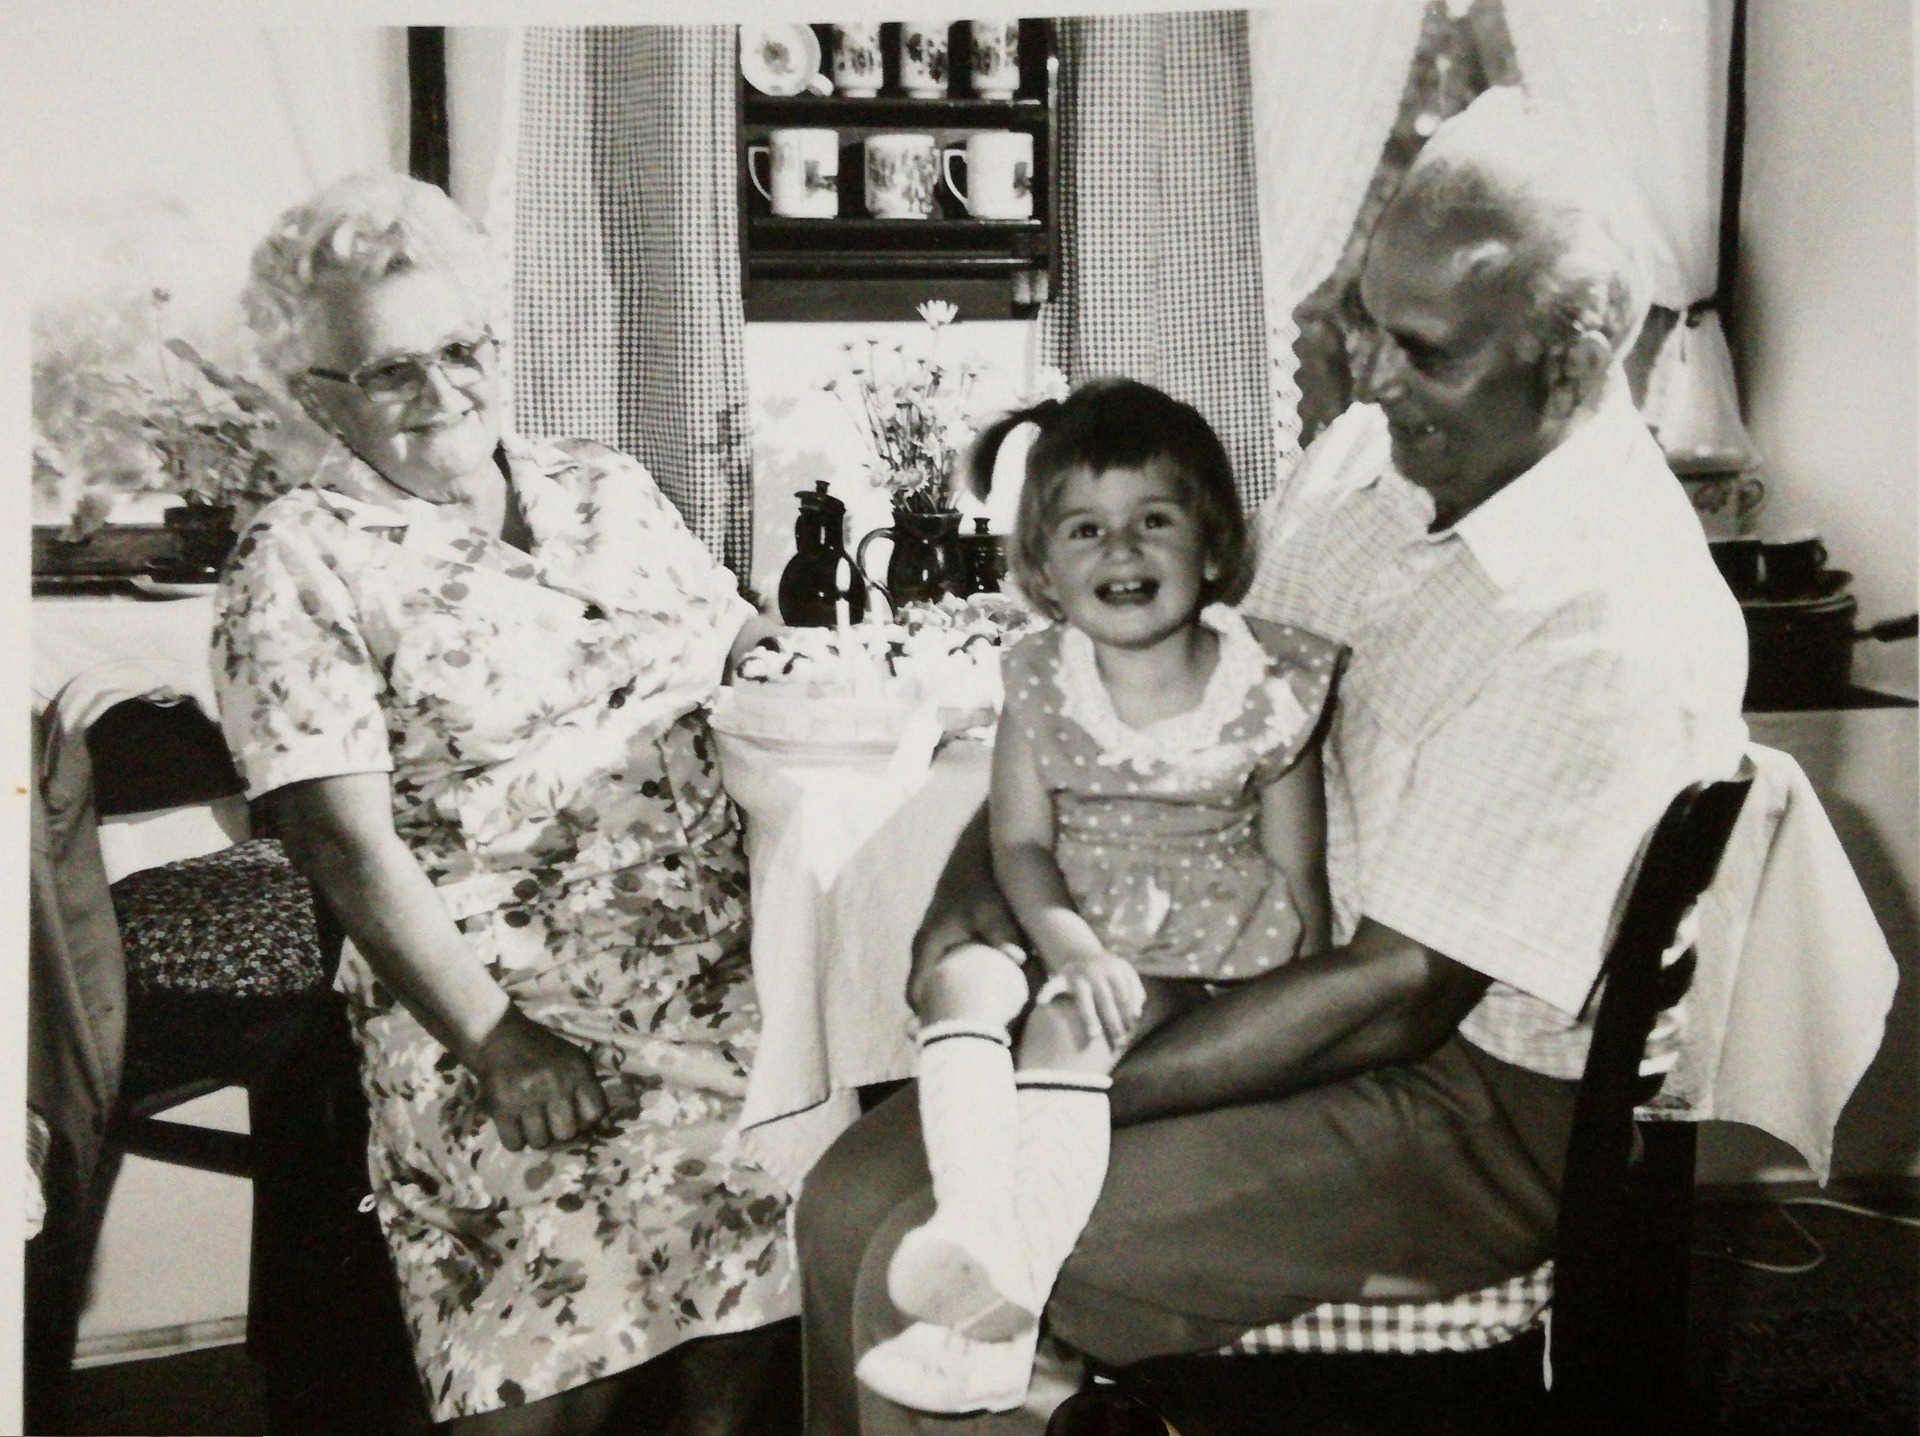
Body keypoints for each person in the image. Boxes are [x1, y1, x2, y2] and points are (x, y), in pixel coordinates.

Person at [795, 86, 1749, 1434]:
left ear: (1577, 361)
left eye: (1428, 352)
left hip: (1462, 1105)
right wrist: (985, 878)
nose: (1373, 378)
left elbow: (1395, 998)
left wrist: (1061, 1093)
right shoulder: (1369, 460)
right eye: (1370, 323)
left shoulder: (1606, 619)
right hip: (1253, 980)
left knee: (933, 1268)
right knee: (844, 1198)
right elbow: (1143, 695)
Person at [213, 173, 793, 1435]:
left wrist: (807, 668)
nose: (444, 392)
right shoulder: (298, 557)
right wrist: (495, 1042)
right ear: (320, 398)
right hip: (499, 1009)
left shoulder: (603, 485)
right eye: (392, 371)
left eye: (463, 350)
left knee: (756, 1332)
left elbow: (740, 640)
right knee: (544, 1378)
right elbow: (339, 841)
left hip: (726, 983)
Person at [854, 381, 1342, 1414]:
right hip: (1070, 920)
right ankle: (974, 1232)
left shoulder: (1271, 685)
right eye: (1086, 529)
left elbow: (1301, 874)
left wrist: (1297, 1019)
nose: (1122, 550)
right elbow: (1020, 845)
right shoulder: (1040, 680)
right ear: (1042, 569)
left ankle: (1001, 1320)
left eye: (1153, 520)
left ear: (1212, 545)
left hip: (1202, 953)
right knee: (960, 978)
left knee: (1068, 1024)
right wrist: (1070, 942)